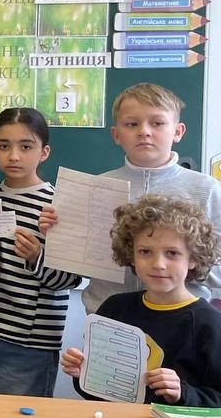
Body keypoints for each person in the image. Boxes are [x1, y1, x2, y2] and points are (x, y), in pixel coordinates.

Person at [62, 194, 221, 406]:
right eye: (145, 251)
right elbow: (98, 394)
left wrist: (182, 394)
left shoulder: (211, 325)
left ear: (193, 258)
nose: (158, 264)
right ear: (131, 255)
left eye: (172, 253)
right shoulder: (114, 308)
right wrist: (82, 372)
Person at [75, 84, 221, 313]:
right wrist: (58, 234)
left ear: (178, 131)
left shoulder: (207, 189)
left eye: (157, 123)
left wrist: (181, 262)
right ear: (116, 134)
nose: (144, 131)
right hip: (108, 317)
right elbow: (77, 264)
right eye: (132, 124)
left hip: (181, 319)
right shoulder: (96, 187)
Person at [0, 107, 83, 398]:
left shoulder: (59, 206)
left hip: (30, 343)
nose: (14, 156)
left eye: (26, 147)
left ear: (44, 152)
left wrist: (37, 257)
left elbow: (70, 280)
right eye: (4, 146)